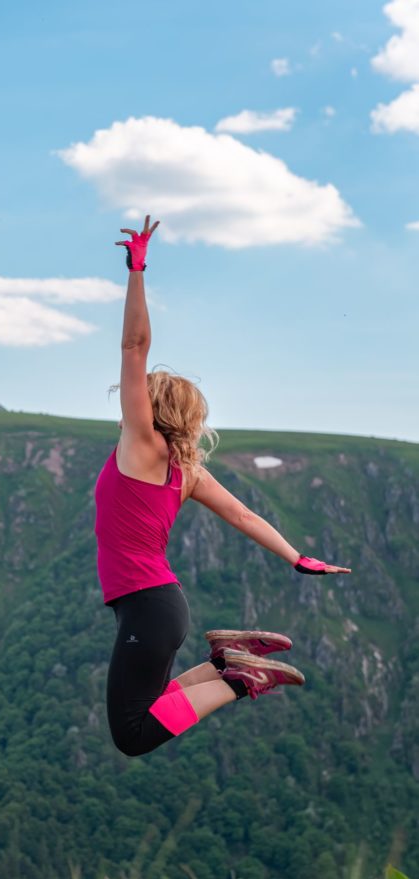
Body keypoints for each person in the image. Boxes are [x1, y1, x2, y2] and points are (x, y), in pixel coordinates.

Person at [94, 215, 351, 757]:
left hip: (148, 605)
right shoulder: (186, 470)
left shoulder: (143, 447)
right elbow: (243, 516)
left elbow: (135, 346)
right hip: (158, 606)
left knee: (132, 734)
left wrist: (137, 270)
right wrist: (296, 556)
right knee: (156, 703)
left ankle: (240, 679)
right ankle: (226, 663)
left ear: (150, 409)